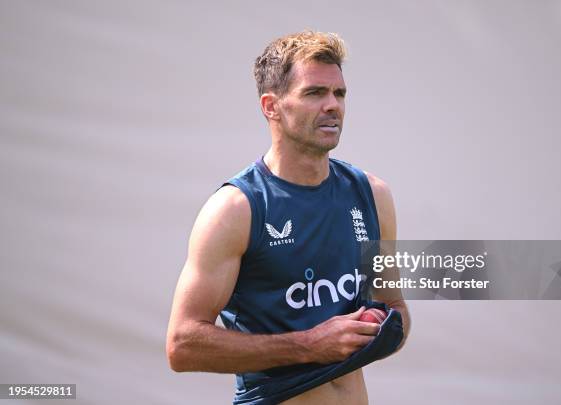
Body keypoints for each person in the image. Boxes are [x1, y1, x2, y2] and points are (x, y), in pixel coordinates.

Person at [166, 30, 410, 404]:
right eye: (315, 93)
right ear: (271, 106)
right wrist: (309, 345)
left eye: (339, 93)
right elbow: (182, 345)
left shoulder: (372, 194)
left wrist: (378, 328)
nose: (333, 105)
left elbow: (394, 307)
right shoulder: (236, 209)